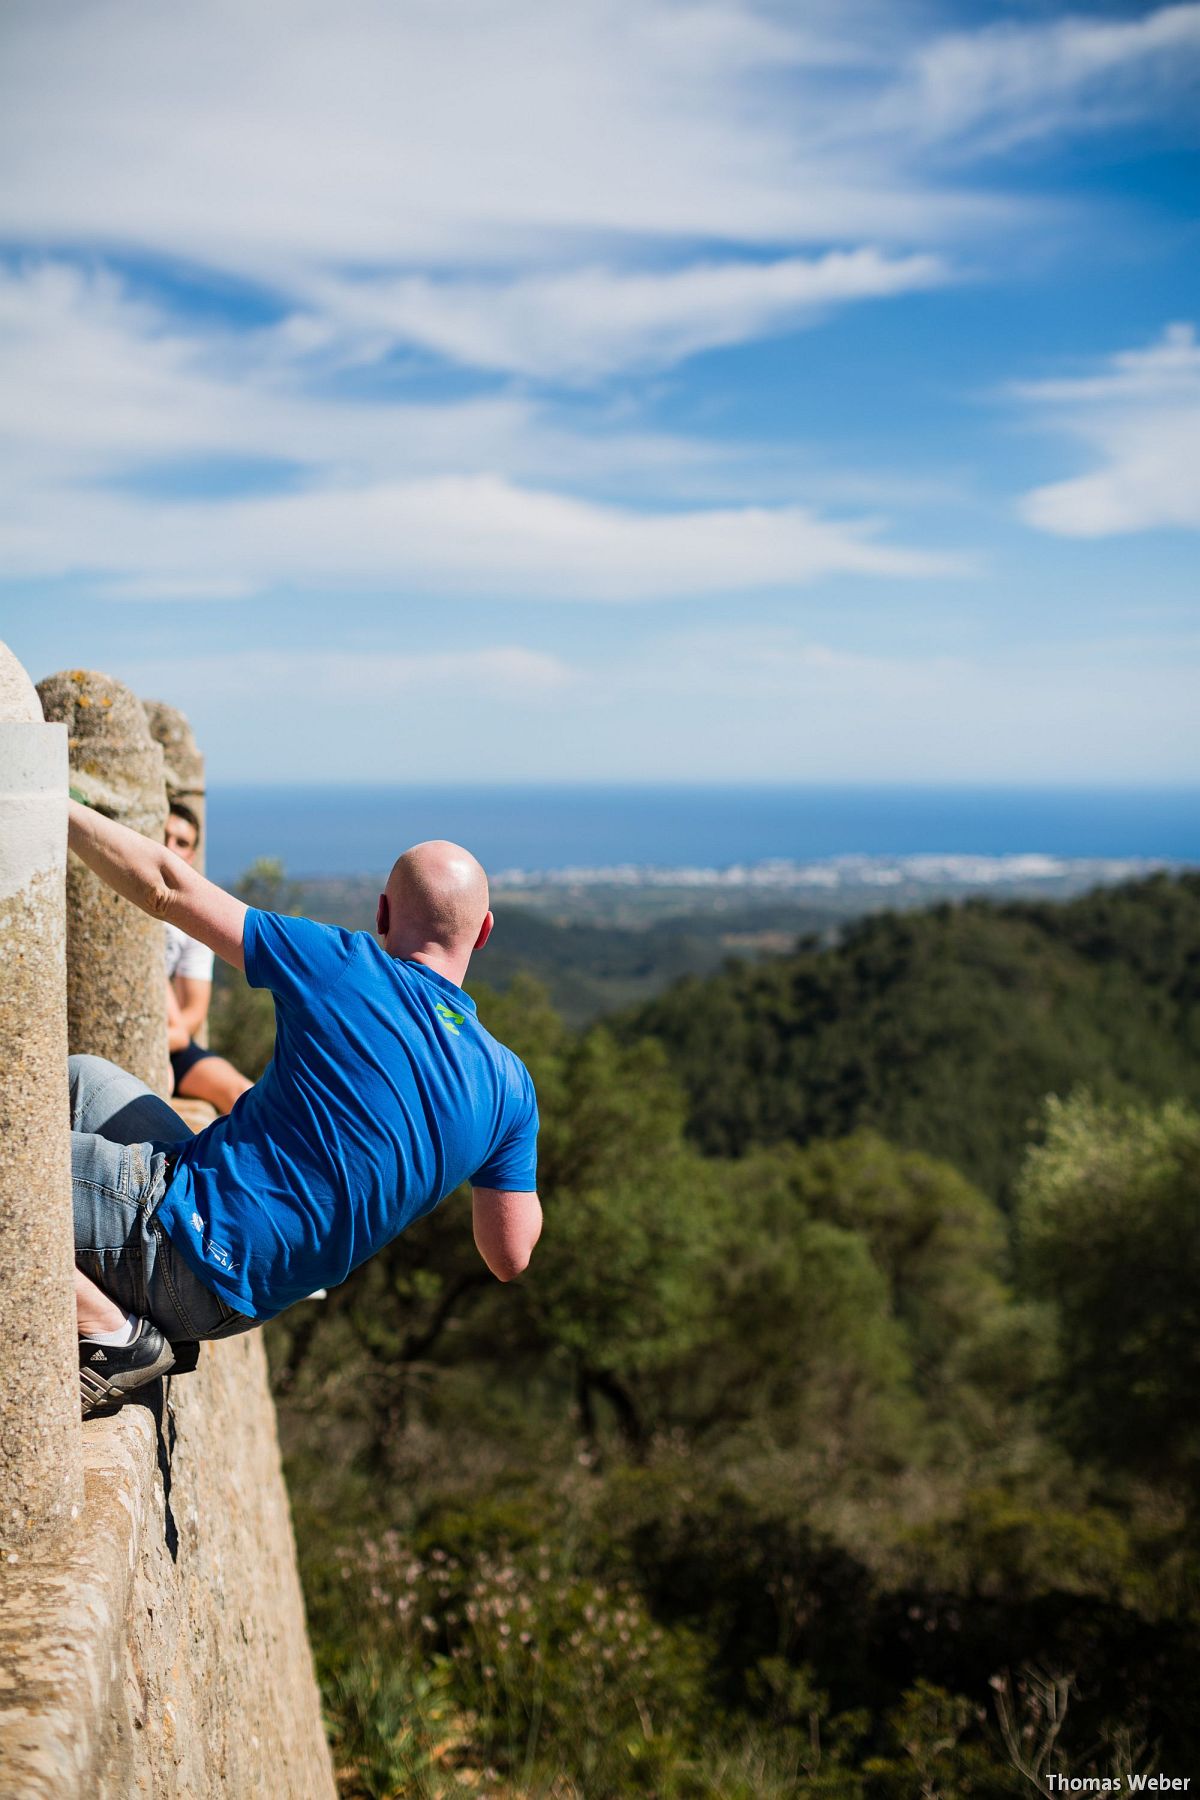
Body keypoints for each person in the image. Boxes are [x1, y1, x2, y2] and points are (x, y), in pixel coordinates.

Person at [68, 796, 542, 1417]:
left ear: (382, 912)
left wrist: (53, 801)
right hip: (240, 1302)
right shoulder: (510, 1086)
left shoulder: (343, 965)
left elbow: (166, 886)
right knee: (82, 1079)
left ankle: (114, 1333)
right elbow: (509, 1256)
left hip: (171, 1242)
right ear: (482, 933)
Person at [161, 803, 253, 1114]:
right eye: (163, 835)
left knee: (245, 1094)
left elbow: (193, 1015)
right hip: (154, 1033)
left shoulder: (192, 924)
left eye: (181, 842)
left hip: (169, 1039)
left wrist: (164, 1038)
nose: (168, 846)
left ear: (191, 855)